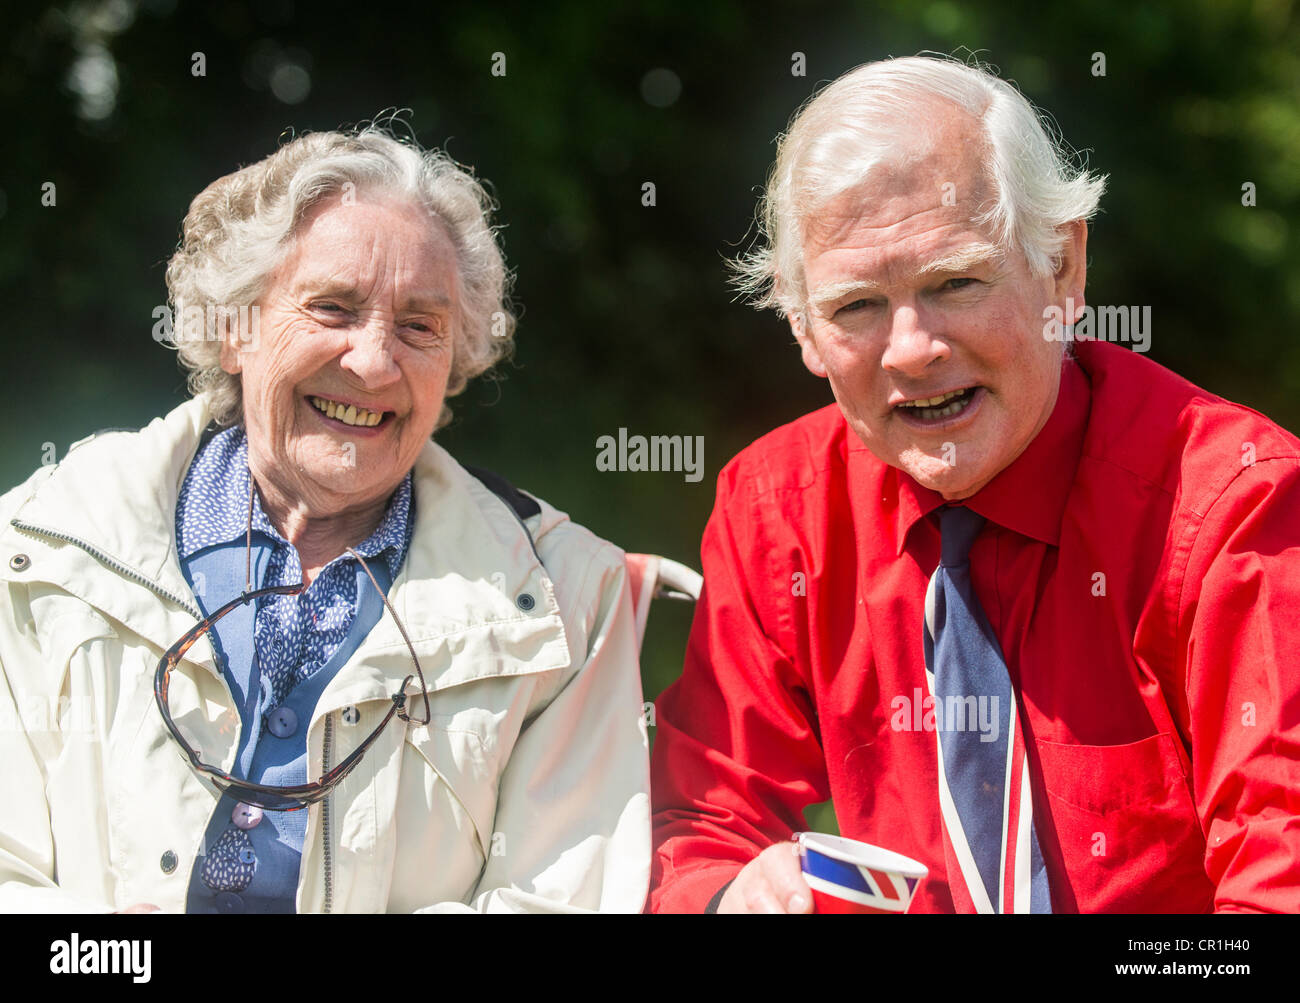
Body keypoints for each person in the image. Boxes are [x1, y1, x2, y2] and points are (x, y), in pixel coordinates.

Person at [648, 55, 1300, 913]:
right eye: (855, 307)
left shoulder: (1235, 507)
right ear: (803, 327)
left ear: (1061, 268)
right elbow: (699, 815)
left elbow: (1278, 875)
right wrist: (731, 893)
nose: (911, 348)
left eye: (954, 282)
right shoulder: (775, 511)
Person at [0, 125, 650, 913]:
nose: (375, 362)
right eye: (333, 307)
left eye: (420, 325)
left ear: (458, 356)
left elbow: (559, 899)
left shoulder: (567, 600)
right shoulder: (42, 548)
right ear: (235, 327)